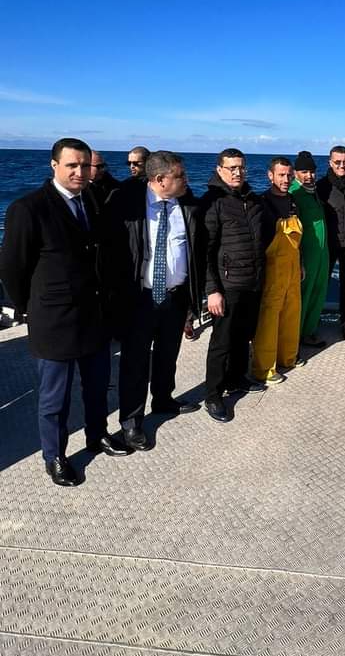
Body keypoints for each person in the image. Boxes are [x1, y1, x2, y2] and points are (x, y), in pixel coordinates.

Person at [0, 137, 129, 487]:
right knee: (54, 397)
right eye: (71, 165)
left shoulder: (92, 200)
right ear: (54, 165)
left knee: (97, 386)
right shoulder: (29, 208)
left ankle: (97, 435)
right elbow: (12, 267)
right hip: (54, 319)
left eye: (84, 165)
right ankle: (54, 455)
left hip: (94, 316)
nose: (79, 172)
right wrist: (30, 307)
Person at [105, 150, 203, 451]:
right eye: (180, 175)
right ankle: (131, 421)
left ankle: (163, 399)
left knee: (167, 353)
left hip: (176, 296)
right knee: (135, 362)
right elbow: (110, 253)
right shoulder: (126, 203)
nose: (186, 180)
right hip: (139, 299)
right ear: (160, 179)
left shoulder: (188, 204)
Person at [200, 148, 265, 422]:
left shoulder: (252, 199)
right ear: (219, 170)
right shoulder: (213, 201)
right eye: (231, 168)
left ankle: (236, 377)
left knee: (243, 335)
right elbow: (205, 250)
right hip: (227, 284)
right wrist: (212, 290)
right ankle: (213, 394)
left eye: (241, 167)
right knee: (222, 341)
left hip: (253, 280)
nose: (237, 172)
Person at [250, 157, 303, 384]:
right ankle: (264, 369)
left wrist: (300, 264)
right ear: (270, 176)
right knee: (269, 318)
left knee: (291, 312)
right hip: (272, 268)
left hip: (292, 265)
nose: (286, 179)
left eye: (289, 175)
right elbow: (257, 241)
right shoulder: (261, 203)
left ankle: (287, 356)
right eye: (281, 175)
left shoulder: (292, 201)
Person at [316, 145, 345, 339]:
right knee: (321, 282)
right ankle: (313, 319)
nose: (342, 166)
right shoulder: (321, 186)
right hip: (329, 244)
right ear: (330, 163)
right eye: (338, 162)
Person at [289, 151, 329, 348]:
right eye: (304, 172)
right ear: (295, 172)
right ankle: (294, 336)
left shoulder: (313, 191)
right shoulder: (293, 193)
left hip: (322, 253)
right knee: (303, 295)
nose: (309, 176)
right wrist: (299, 259)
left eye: (312, 171)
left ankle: (309, 331)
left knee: (318, 292)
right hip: (306, 253)